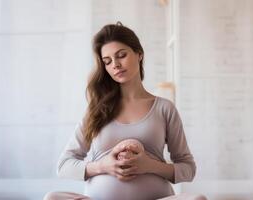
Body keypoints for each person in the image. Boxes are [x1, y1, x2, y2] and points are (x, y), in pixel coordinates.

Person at [45, 22, 206, 200]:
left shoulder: (164, 108)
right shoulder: (96, 109)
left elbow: (188, 168)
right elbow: (64, 166)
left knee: (197, 199)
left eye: (121, 55)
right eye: (107, 61)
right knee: (52, 197)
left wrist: (149, 165)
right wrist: (103, 166)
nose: (115, 65)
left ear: (139, 54)